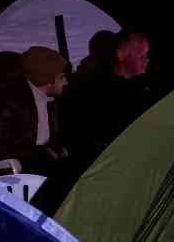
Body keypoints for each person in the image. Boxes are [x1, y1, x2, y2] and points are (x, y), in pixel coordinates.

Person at [63, 29, 155, 163]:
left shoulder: (146, 89)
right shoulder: (92, 91)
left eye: (146, 54)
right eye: (141, 54)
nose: (146, 59)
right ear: (120, 54)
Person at [0, 46, 70, 178]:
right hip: (15, 174)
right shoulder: (8, 102)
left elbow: (54, 138)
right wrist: (43, 153)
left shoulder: (50, 100)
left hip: (39, 164)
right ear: (48, 80)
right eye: (62, 77)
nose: (66, 82)